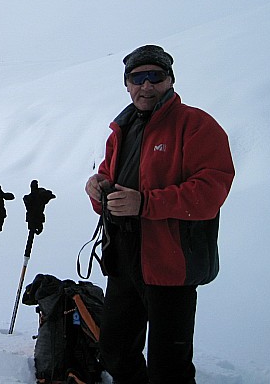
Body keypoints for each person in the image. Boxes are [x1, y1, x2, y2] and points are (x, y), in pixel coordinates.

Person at [85, 44, 234, 384]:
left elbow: (212, 190)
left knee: (170, 367)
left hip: (172, 261)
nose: (146, 85)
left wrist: (146, 204)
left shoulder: (195, 125)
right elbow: (110, 177)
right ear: (127, 84)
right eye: (138, 78)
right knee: (115, 350)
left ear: (170, 80)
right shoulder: (122, 129)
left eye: (156, 76)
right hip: (124, 258)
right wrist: (98, 189)